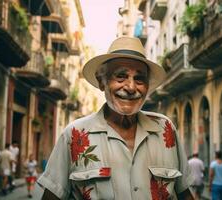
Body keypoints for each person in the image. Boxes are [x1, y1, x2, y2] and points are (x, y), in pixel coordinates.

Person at [38, 36, 194, 200]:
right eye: (121, 76)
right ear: (102, 82)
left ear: (147, 85)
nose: (131, 87)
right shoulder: (74, 135)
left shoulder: (166, 129)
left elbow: (185, 194)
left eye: (139, 78)